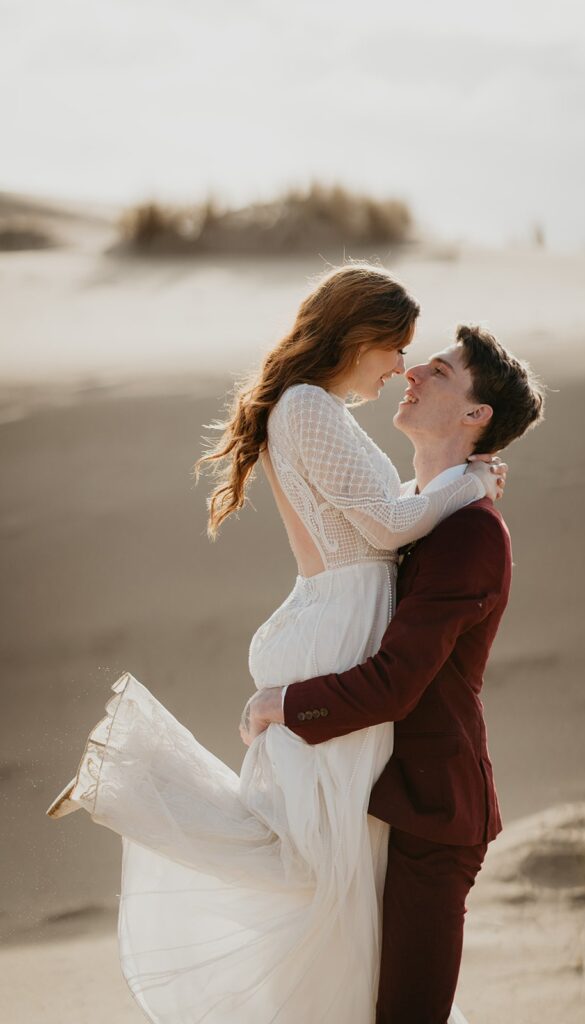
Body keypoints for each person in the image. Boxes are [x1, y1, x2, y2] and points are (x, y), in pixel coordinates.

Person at [45, 264, 503, 1024]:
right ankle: (137, 774)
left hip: (334, 623)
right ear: (355, 334)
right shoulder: (308, 408)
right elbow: (390, 525)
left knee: (318, 854)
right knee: (314, 862)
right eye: (393, 348)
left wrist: (453, 486)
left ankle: (140, 778)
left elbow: (382, 515)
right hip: (335, 630)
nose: (398, 369)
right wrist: (470, 484)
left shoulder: (308, 410)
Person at [241, 322, 545, 1024]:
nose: (412, 373)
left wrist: (283, 704)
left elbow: (396, 682)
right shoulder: (412, 512)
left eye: (438, 371)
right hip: (373, 794)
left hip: (432, 815)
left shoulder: (470, 535)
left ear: (476, 416)